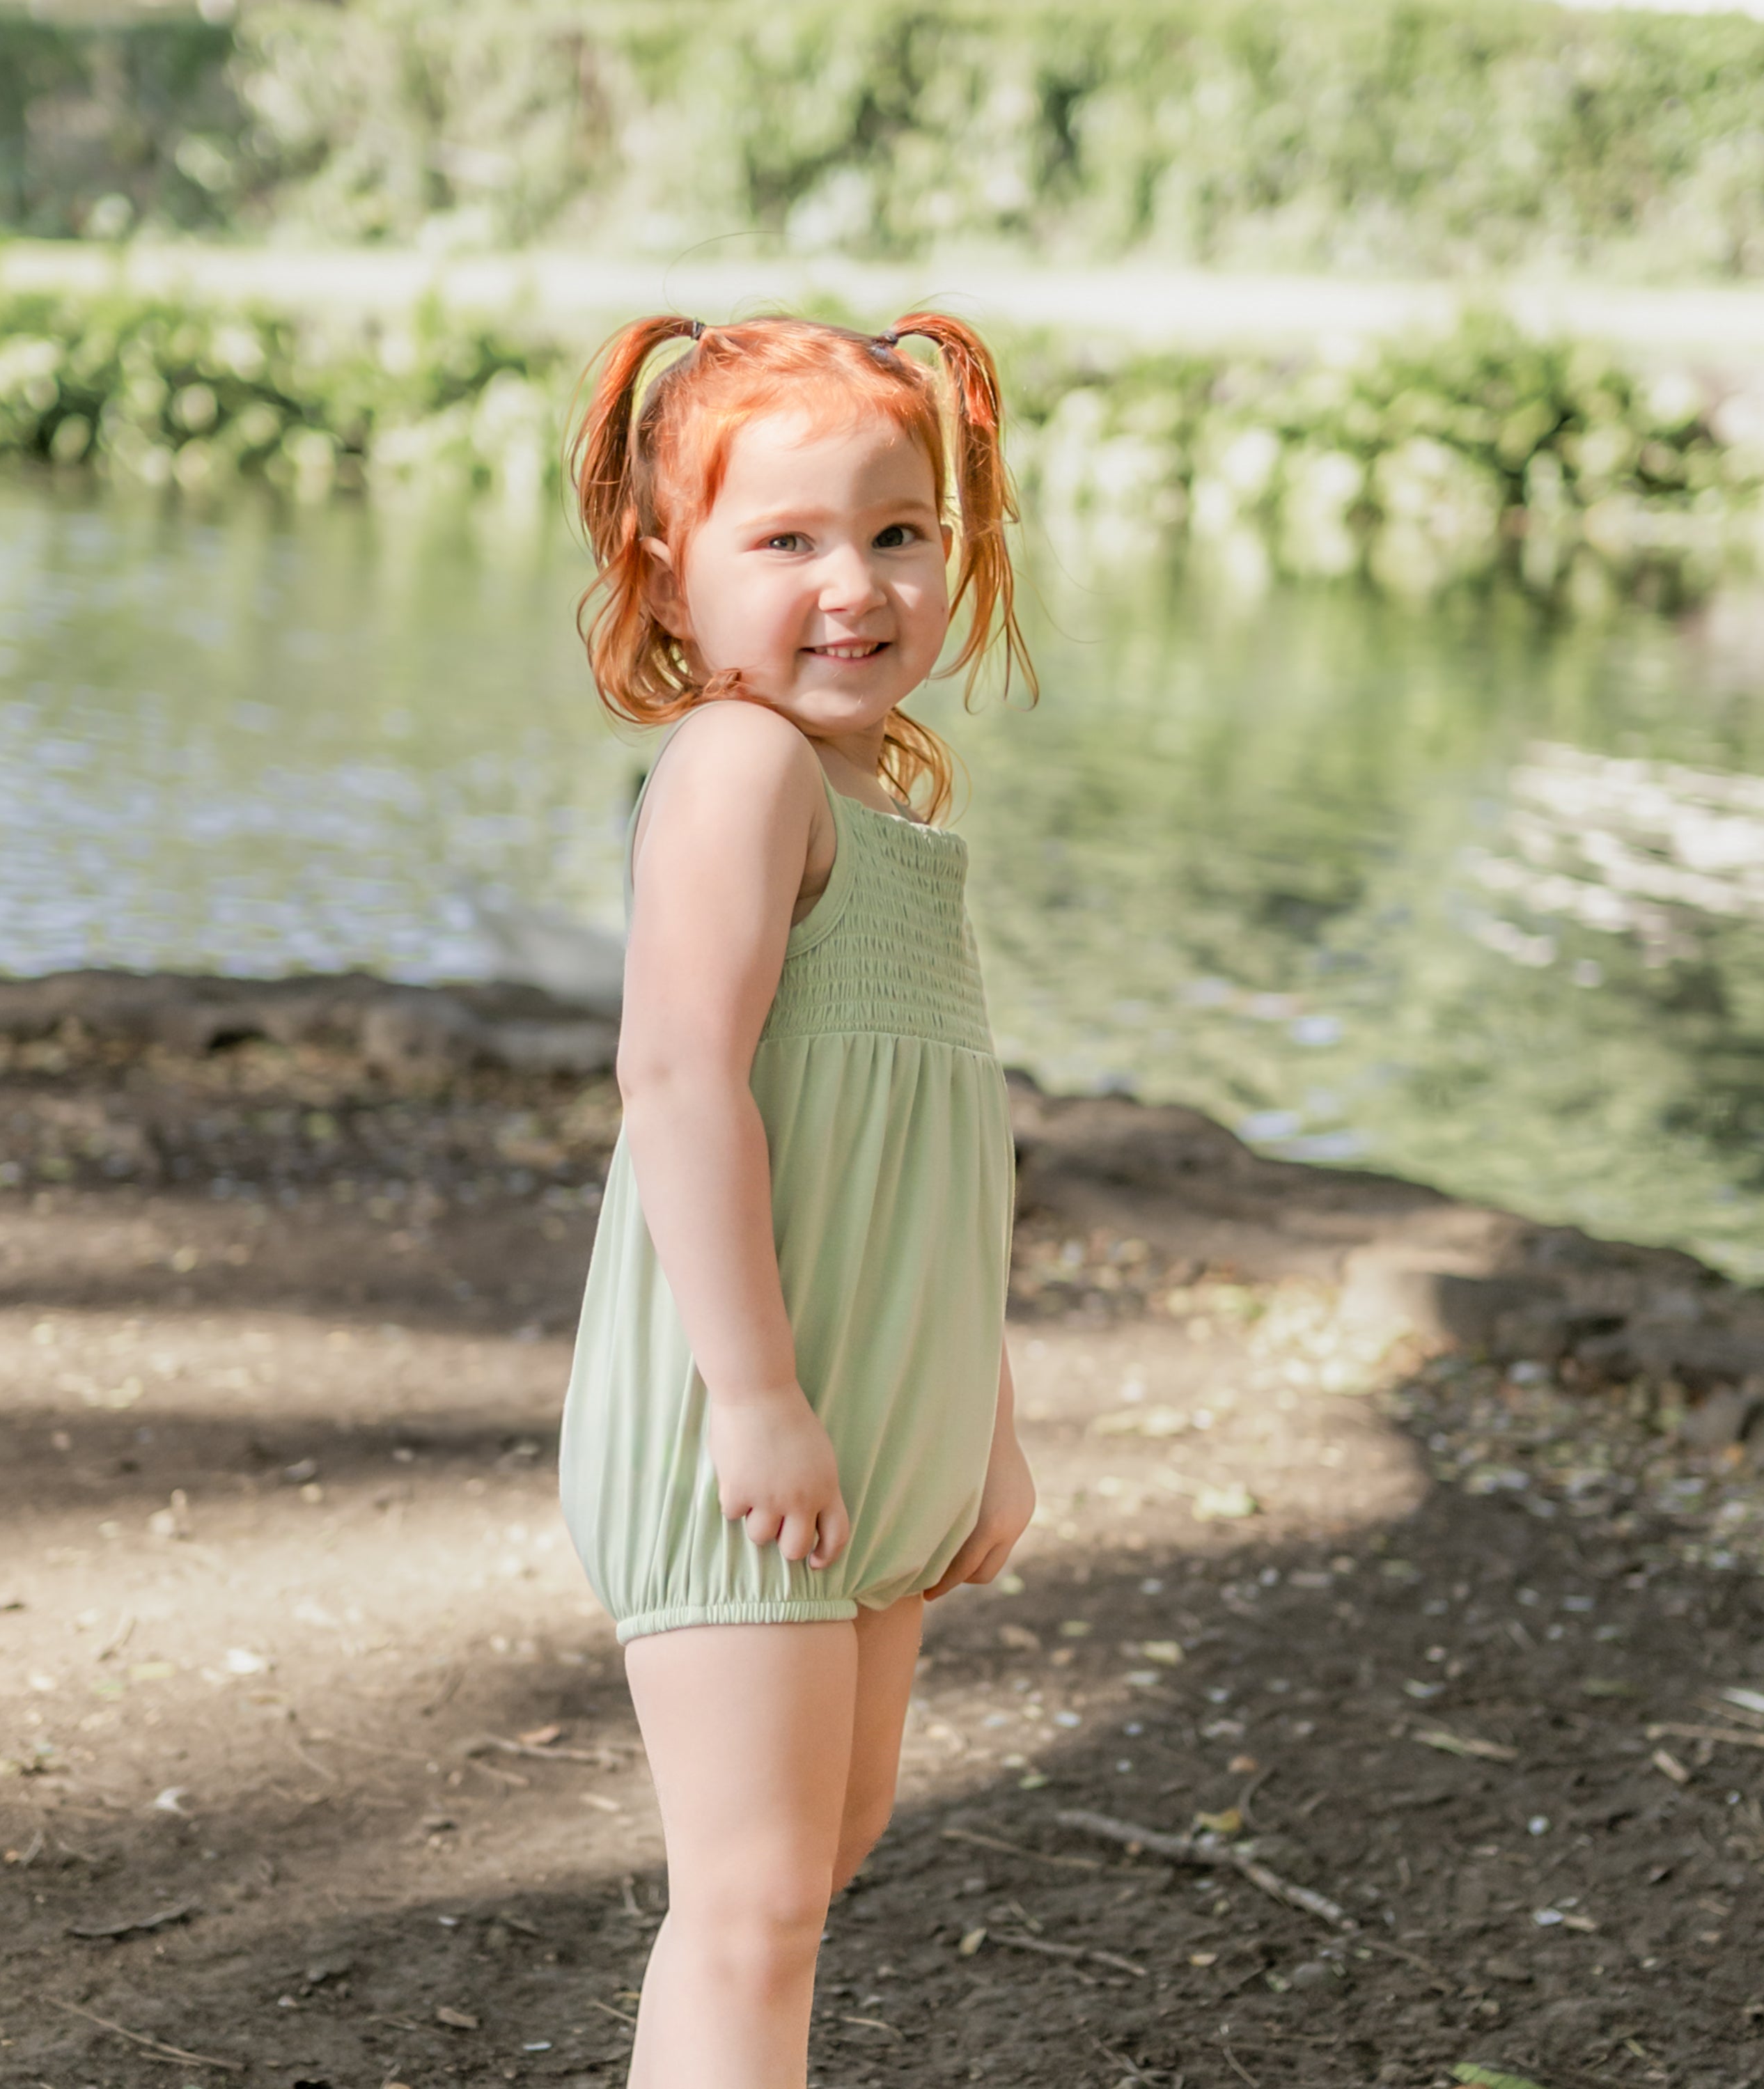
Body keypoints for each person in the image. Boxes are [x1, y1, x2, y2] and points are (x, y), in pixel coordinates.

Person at [556, 310, 1040, 2088]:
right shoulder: (739, 766)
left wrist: (976, 1414)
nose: (859, 583)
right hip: (744, 1414)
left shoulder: (887, 814)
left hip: (867, 1420)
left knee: (816, 1862)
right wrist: (757, 1402)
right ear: (669, 575)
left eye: (898, 530)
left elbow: (935, 1165)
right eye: (788, 541)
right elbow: (678, 1078)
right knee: (753, 1901)